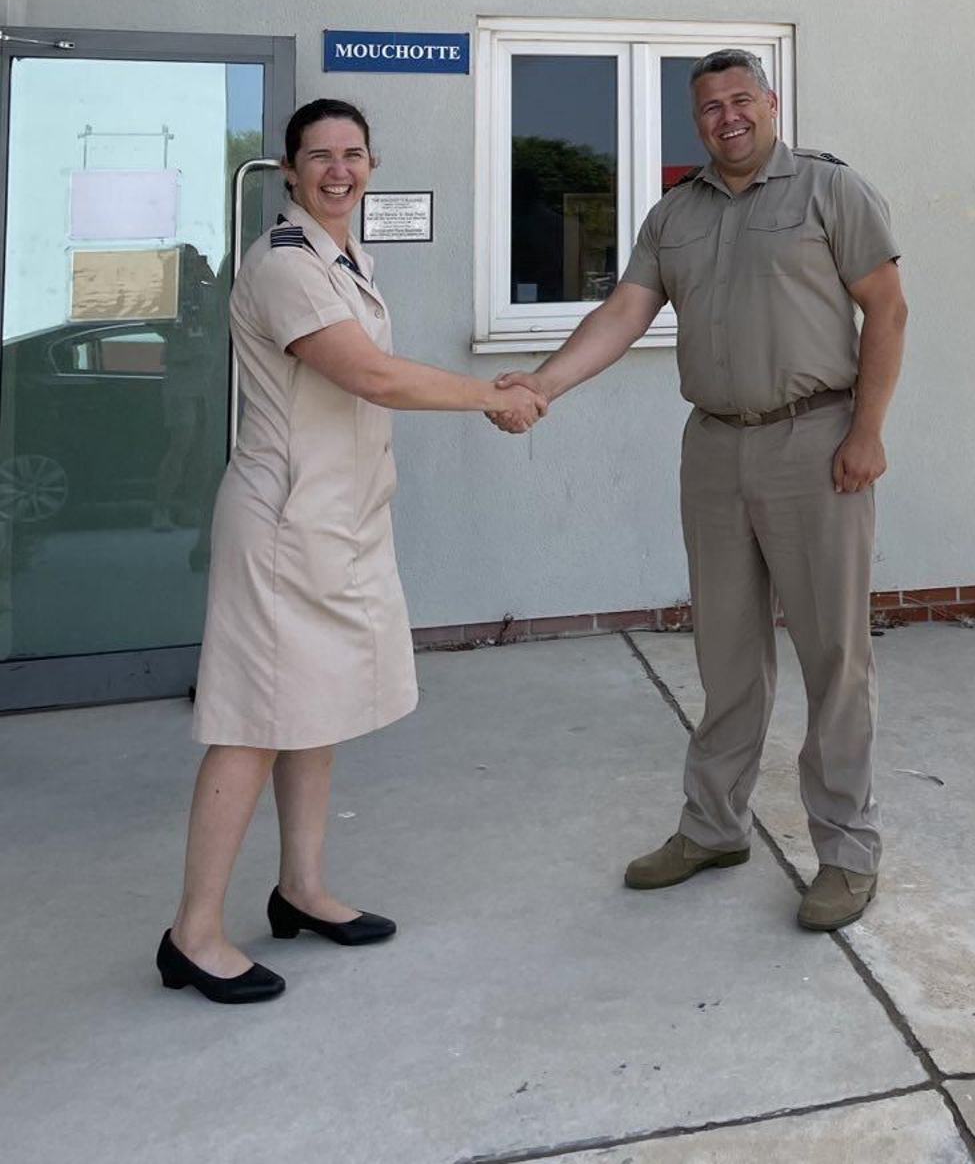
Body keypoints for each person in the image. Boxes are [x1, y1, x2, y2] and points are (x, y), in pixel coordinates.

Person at [497, 49, 907, 932]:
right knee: (725, 653)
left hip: (817, 440)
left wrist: (867, 432)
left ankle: (845, 852)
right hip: (716, 448)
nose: (726, 116)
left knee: (835, 658)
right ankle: (715, 825)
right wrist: (543, 383)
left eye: (739, 99)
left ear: (770, 102)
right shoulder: (673, 214)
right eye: (709, 107)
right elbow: (622, 313)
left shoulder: (831, 191)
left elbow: (889, 306)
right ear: (697, 123)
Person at [157, 98, 545, 1005]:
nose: (339, 168)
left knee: (315, 709)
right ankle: (194, 932)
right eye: (319, 155)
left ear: (372, 164)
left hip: (340, 521)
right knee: (252, 723)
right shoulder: (284, 263)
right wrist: (492, 394)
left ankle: (301, 887)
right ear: (287, 171)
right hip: (286, 526)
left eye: (354, 153)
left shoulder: (342, 257)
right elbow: (366, 374)